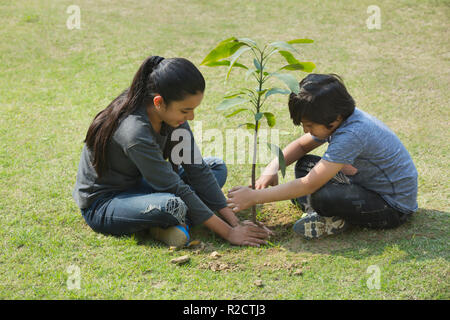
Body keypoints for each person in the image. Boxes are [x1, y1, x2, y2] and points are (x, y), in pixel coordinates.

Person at [73, 55, 271, 247]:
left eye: (193, 109)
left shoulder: (170, 117)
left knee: (216, 167)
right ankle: (159, 225)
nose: (191, 117)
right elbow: (174, 186)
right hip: (105, 203)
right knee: (173, 204)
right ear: (159, 102)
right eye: (185, 110)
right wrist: (229, 233)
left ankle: (162, 223)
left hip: (143, 184)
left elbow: (197, 169)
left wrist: (234, 222)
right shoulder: (134, 132)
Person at [227, 74, 418, 239]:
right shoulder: (340, 117)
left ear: (334, 120)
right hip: (365, 185)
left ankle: (329, 218)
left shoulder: (352, 134)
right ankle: (325, 214)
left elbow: (309, 184)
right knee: (305, 165)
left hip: (391, 206)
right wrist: (272, 168)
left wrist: (255, 197)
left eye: (309, 126)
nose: (305, 130)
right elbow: (302, 146)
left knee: (321, 196)